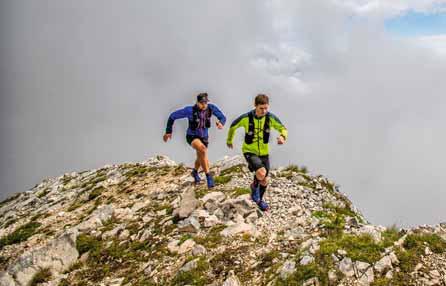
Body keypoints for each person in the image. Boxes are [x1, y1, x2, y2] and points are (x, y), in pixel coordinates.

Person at [226, 94, 287, 211]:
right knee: (261, 172)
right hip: (249, 151)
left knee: (264, 181)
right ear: (255, 106)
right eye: (261, 108)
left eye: (266, 108)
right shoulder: (246, 118)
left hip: (264, 153)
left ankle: (259, 200)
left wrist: (283, 136)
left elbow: (283, 128)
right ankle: (254, 189)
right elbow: (233, 126)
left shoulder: (270, 118)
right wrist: (229, 140)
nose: (264, 111)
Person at [163, 93, 226, 188]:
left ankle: (195, 172)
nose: (204, 105)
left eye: (206, 102)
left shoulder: (211, 108)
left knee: (200, 156)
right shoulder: (189, 110)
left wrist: (221, 123)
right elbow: (172, 116)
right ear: (197, 102)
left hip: (204, 137)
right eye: (202, 103)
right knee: (203, 150)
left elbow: (222, 117)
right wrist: (168, 131)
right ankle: (209, 176)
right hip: (192, 136)